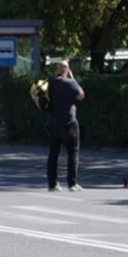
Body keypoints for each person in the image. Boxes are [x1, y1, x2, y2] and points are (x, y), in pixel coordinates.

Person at [45, 60, 85, 192]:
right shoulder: (71, 83)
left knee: (53, 154)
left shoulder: (50, 83)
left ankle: (52, 184)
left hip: (53, 123)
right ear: (67, 69)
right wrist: (73, 79)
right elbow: (81, 96)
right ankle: (72, 183)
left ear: (57, 70)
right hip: (69, 122)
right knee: (73, 152)